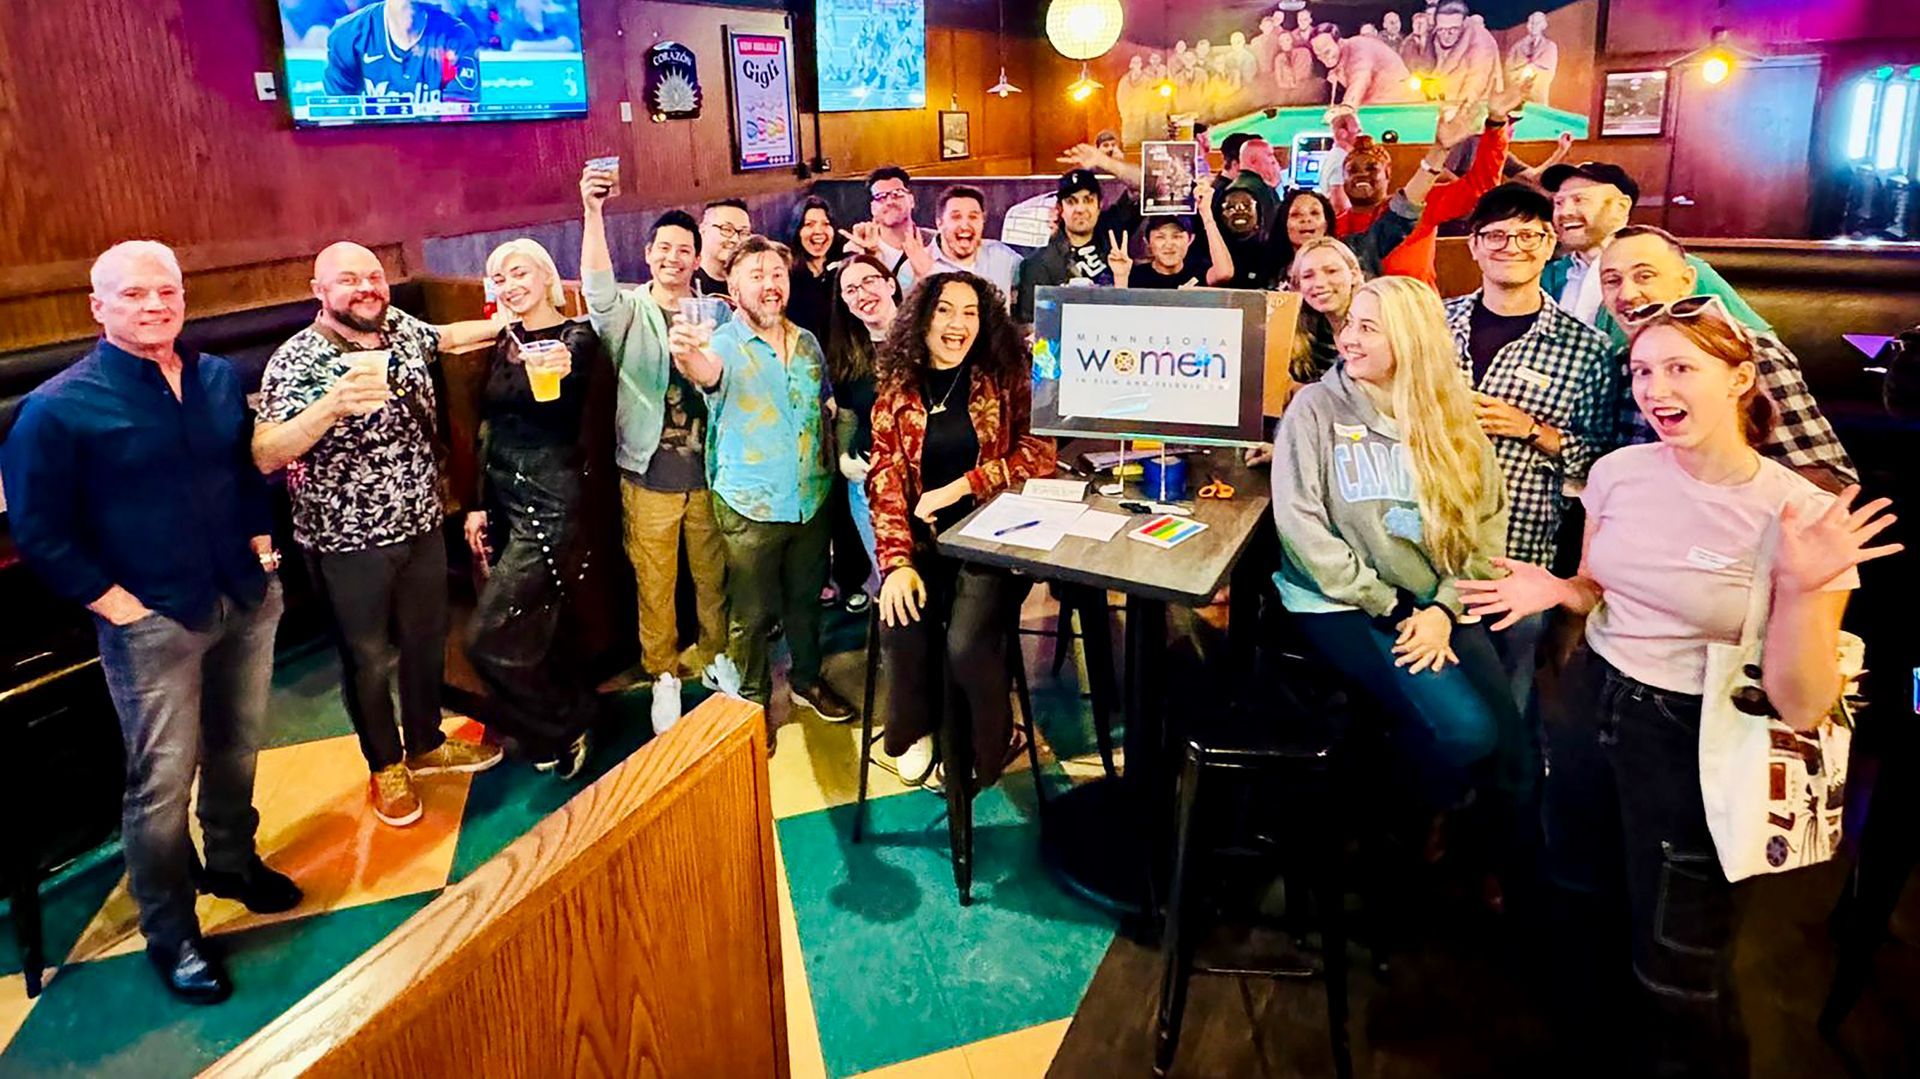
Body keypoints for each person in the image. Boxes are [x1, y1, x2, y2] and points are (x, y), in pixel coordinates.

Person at [1459, 300, 1897, 1077]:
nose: (1656, 388)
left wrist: (1800, 586)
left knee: (1677, 963)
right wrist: (1557, 589)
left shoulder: (1799, 512)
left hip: (1698, 734)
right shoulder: (1618, 471)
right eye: (1643, 371)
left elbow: (1802, 700)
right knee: (1582, 903)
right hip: (1594, 697)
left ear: (1741, 379)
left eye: (1681, 367)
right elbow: (1599, 584)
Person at [1, 241, 299, 1004]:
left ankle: (232, 859)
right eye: (133, 294)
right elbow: (38, 529)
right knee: (160, 784)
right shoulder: (58, 407)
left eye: (166, 290)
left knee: (237, 749)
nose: (154, 304)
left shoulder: (214, 377)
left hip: (243, 592)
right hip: (153, 619)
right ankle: (172, 932)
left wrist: (264, 550)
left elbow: (244, 469)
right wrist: (117, 606)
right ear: (98, 308)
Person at [1270, 276, 1528, 872]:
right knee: (1467, 732)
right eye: (1349, 324)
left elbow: (1485, 530)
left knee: (1511, 745)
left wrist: (1443, 608)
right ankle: (1403, 816)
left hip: (1434, 601)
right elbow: (1302, 529)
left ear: (1411, 342)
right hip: (1342, 602)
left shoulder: (1452, 417)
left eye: (1367, 328)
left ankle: (1494, 864)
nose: (1348, 339)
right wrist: (1393, 607)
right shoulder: (1316, 407)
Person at [255, 243, 506, 829]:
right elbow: (265, 453)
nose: (366, 288)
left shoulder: (398, 327)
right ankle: (384, 764)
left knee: (426, 636)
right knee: (367, 657)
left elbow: (445, 337)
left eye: (373, 276)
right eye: (348, 280)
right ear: (319, 291)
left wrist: (514, 318)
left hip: (420, 520)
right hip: (345, 537)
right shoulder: (297, 360)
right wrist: (330, 408)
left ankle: (424, 741)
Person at [870, 272, 1056, 786]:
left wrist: (962, 487)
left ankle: (992, 741)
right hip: (925, 542)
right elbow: (884, 479)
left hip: (994, 538)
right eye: (945, 310)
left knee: (967, 643)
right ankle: (918, 728)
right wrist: (897, 564)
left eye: (970, 312)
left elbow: (1039, 454)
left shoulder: (1003, 374)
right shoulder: (897, 388)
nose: (958, 324)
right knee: (900, 620)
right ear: (922, 319)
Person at [667, 235, 855, 722]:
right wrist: (686, 352)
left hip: (811, 498)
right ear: (732, 286)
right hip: (750, 503)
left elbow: (826, 405)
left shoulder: (808, 342)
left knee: (806, 602)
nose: (770, 286)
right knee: (748, 616)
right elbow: (704, 371)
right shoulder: (721, 342)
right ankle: (749, 703)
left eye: (777, 275)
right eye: (757, 276)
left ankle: (806, 680)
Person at [1443, 184, 1615, 710]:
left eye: (1528, 235)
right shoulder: (1433, 326)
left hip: (1515, 556)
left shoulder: (1587, 348)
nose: (1510, 245)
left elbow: (1601, 463)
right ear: (1473, 245)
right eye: (1495, 234)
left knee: (1506, 697)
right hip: (1423, 544)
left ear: (1549, 244)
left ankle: (1508, 785)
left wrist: (1531, 429)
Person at [579, 173, 731, 726]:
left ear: (697, 259)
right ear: (647, 255)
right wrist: (593, 211)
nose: (673, 257)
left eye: (684, 250)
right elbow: (596, 288)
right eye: (663, 248)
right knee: (655, 581)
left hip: (710, 473)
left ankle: (718, 659)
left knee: (714, 579)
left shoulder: (715, 312)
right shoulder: (625, 311)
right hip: (647, 474)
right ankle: (663, 672)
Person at [461, 238, 614, 775]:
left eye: (519, 273)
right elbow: (489, 426)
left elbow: (570, 411)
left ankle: (567, 720)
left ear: (548, 277)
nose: (509, 285)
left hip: (551, 499)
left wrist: (557, 368)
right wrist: (476, 505)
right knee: (536, 624)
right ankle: (551, 724)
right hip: (504, 496)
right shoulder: (504, 339)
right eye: (499, 278)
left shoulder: (577, 338)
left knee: (485, 638)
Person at [1598, 225, 1857, 489]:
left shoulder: (1747, 351)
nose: (1627, 294)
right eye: (1612, 281)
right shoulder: (1620, 361)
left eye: (1645, 276)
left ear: (1686, 282)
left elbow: (1826, 483)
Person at [1539, 162, 1768, 341]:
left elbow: (1756, 341)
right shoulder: (1547, 275)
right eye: (1559, 203)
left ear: (1621, 207)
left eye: (1580, 200)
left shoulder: (1674, 268)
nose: (1565, 212)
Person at [1380, 82, 1530, 288]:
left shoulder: (1421, 208)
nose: (1363, 175)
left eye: (1372, 167)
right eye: (1352, 168)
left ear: (1388, 173)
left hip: (1417, 314)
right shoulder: (1333, 224)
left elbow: (1479, 188)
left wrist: (1496, 122)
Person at [827, 254, 903, 605]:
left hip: (924, 482)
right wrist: (843, 457)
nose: (862, 293)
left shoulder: (926, 338)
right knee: (894, 582)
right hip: (868, 484)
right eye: (850, 289)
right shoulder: (848, 351)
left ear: (890, 283)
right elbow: (847, 416)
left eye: (869, 281)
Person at [322, 0, 480, 104]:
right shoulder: (347, 34)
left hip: (433, 149)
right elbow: (338, 120)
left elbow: (459, 125)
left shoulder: (458, 36)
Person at [1013, 169, 1114, 324]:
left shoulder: (1115, 238)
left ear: (1100, 205)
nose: (1080, 209)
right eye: (1071, 202)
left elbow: (1145, 188)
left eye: (1088, 200)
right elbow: (1029, 325)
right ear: (1060, 209)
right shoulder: (1038, 264)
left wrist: (1105, 162)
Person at [1287, 237, 1365, 384]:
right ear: (1298, 286)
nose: (1320, 283)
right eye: (1308, 276)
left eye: (1331, 271)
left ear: (1354, 275)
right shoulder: (1305, 338)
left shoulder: (1382, 326)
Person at [922, 185, 1023, 295]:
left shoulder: (1002, 256)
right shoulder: (916, 264)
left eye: (973, 217)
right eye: (956, 217)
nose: (965, 225)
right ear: (939, 223)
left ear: (983, 221)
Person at [849, 165, 936, 293]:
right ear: (873, 208)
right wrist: (868, 258)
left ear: (911, 200)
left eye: (897, 194)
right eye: (881, 197)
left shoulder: (936, 242)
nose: (890, 201)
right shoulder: (857, 248)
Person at [1110, 207, 1234, 289]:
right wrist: (1121, 277)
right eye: (1160, 237)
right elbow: (1121, 318)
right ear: (1147, 242)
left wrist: (1207, 214)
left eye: (1176, 236)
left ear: (1190, 239)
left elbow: (1224, 273)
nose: (1169, 244)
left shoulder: (1198, 271)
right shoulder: (1135, 276)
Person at [1311, 22, 1420, 106]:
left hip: (1400, 104)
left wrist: (1347, 107)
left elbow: (1360, 79)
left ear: (1339, 42)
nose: (1323, 58)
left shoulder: (1358, 47)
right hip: (1375, 106)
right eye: (1318, 55)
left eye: (1327, 51)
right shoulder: (1340, 60)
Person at [785, 196, 842, 342]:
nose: (818, 231)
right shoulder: (787, 274)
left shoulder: (844, 268)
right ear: (797, 230)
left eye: (826, 224)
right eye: (809, 224)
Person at [1431, 0, 1499, 103]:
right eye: (1441, 29)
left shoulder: (1481, 41)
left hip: (1477, 106)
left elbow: (1477, 82)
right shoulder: (1435, 38)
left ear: (1464, 24)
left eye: (1453, 29)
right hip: (1444, 103)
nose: (1446, 35)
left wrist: (1460, 110)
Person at [693, 198, 752, 299]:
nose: (735, 239)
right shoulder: (685, 281)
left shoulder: (749, 285)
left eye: (743, 233)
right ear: (702, 230)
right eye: (727, 229)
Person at [1506, 11, 1558, 103]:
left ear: (1543, 25)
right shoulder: (1518, 46)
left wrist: (1532, 70)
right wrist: (1518, 77)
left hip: (1537, 95)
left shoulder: (1550, 46)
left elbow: (1549, 69)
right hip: (1517, 95)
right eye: (1531, 23)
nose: (1533, 26)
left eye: (1537, 23)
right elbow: (1508, 67)